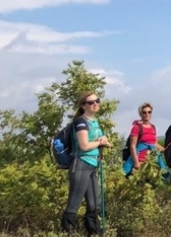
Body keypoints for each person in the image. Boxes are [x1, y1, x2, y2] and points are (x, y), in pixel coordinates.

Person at [61, 91, 110, 236]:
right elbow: (84, 146)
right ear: (83, 106)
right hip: (81, 164)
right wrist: (99, 142)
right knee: (74, 203)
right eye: (91, 102)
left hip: (92, 165)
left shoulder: (94, 122)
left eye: (97, 101)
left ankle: (93, 232)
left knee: (94, 203)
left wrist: (104, 141)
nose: (95, 104)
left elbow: (99, 139)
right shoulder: (80, 122)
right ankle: (68, 231)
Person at [123, 102, 166, 176]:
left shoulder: (153, 127)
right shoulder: (136, 128)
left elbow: (154, 144)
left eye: (149, 112)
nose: (147, 114)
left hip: (152, 161)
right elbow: (132, 146)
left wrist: (166, 150)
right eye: (144, 112)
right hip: (140, 160)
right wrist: (136, 163)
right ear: (141, 114)